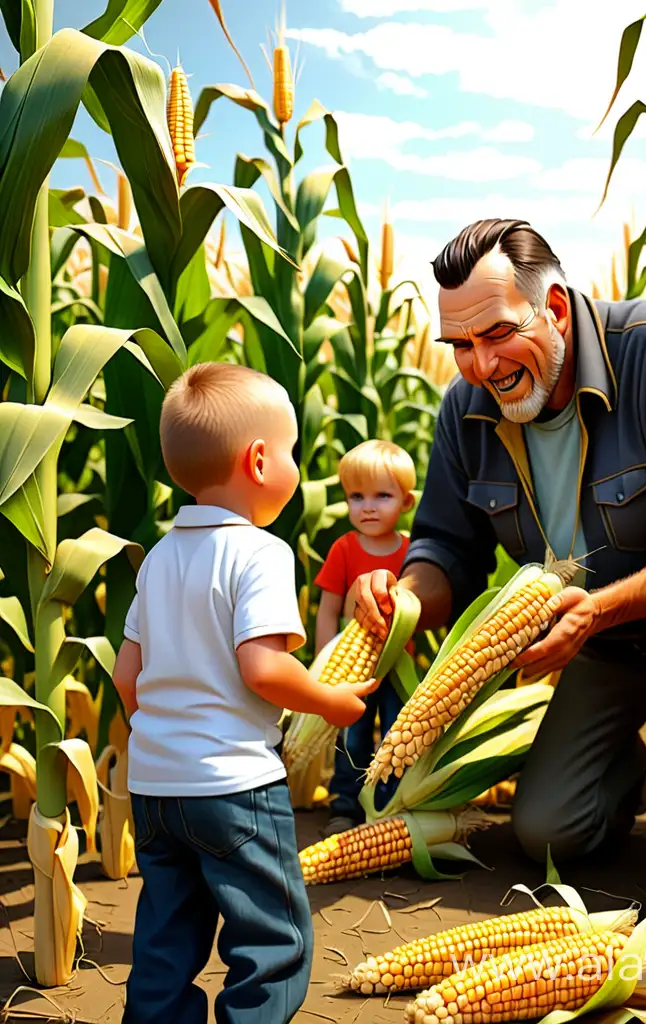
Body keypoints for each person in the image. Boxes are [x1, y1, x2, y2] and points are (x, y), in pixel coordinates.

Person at [348, 218, 646, 941]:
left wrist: (597, 611)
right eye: (459, 345)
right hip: (618, 639)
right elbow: (445, 548)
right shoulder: (466, 411)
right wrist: (402, 599)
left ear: (552, 309)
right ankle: (617, 765)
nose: (480, 365)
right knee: (550, 834)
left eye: (496, 335)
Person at [112, 362, 380, 1022]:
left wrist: (165, 741)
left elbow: (126, 675)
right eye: (291, 452)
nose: (295, 465)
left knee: (165, 937)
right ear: (259, 461)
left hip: (156, 789)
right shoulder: (259, 553)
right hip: (234, 788)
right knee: (270, 941)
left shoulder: (158, 558)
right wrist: (331, 701)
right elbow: (263, 670)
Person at [313, 439, 417, 837]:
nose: (368, 506)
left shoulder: (412, 551)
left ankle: (387, 804)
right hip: (352, 667)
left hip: (397, 665)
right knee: (352, 736)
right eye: (356, 496)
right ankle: (344, 803)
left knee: (395, 736)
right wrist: (324, 660)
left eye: (382, 496)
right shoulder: (344, 548)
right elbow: (328, 607)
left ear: (405, 503)